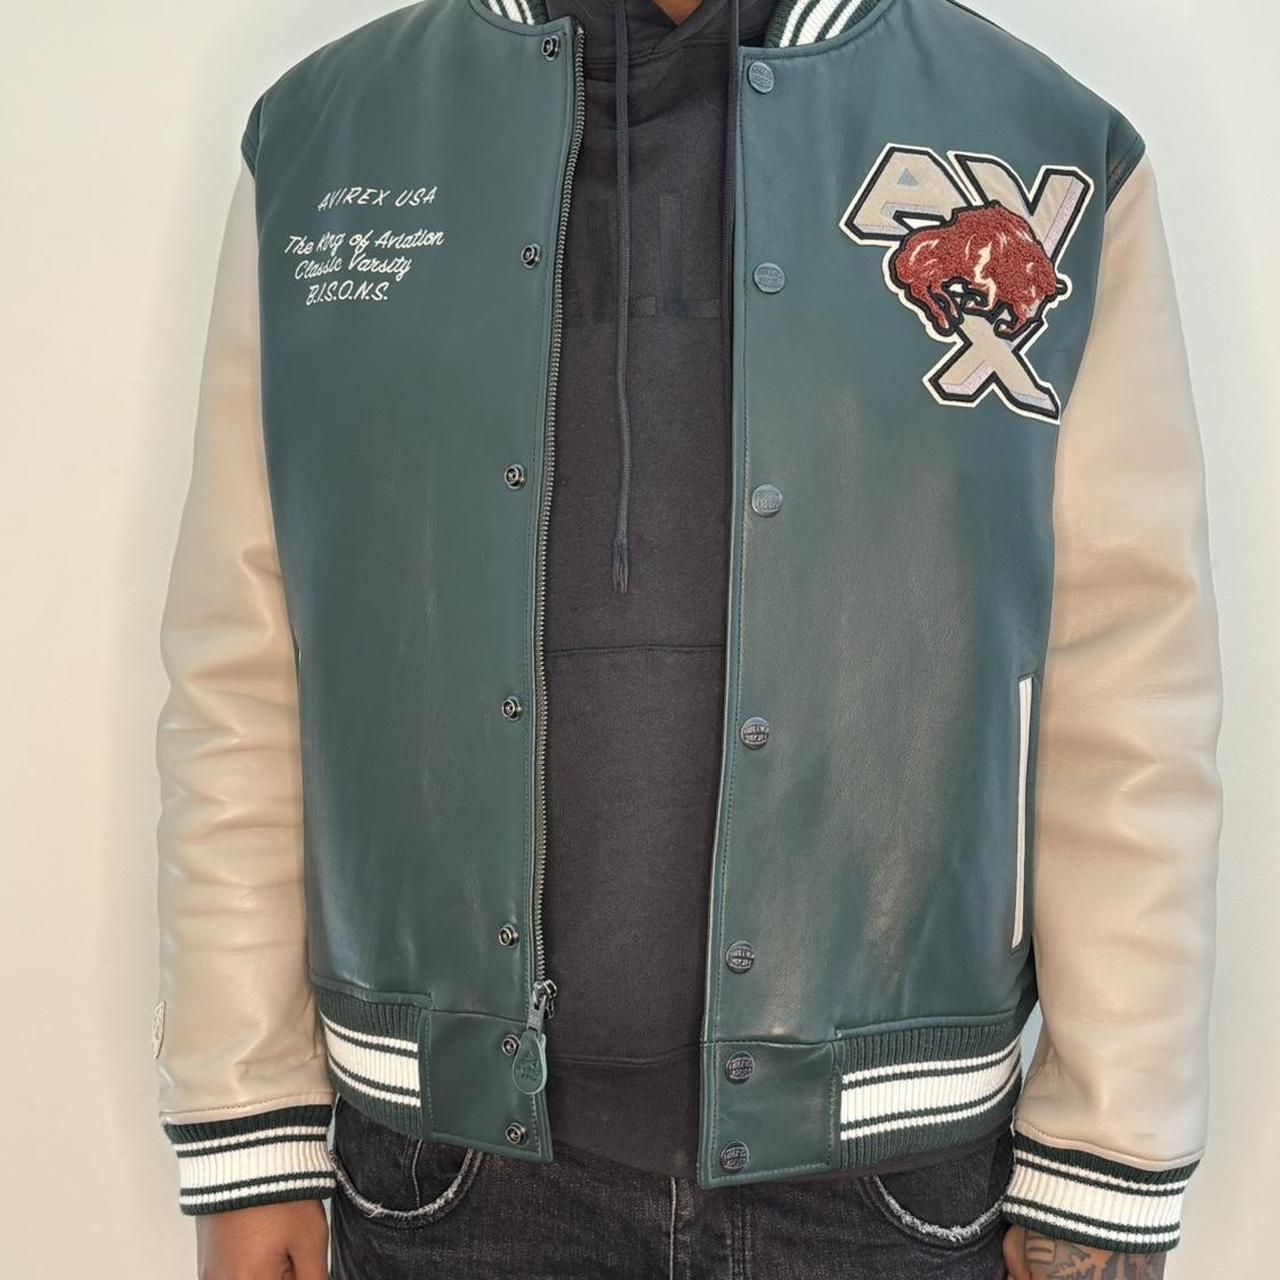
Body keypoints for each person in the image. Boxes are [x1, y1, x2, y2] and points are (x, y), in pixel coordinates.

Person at [153, 0, 1223, 1276]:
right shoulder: (327, 142)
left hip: (887, 1176)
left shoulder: (1043, 144)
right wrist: (248, 1123)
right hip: (449, 1175)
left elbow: (1125, 684)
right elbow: (246, 664)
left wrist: (1106, 1160)